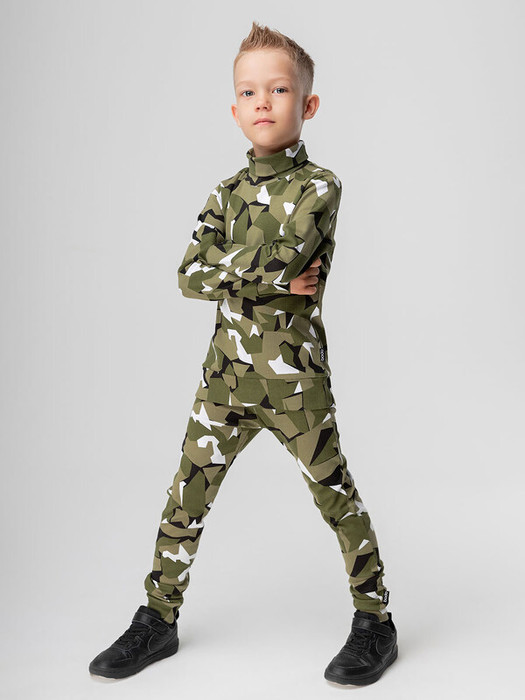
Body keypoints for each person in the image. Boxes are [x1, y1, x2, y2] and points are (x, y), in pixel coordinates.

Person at [89, 21, 398, 687]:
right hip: (224, 383)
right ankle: (157, 617)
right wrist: (270, 275)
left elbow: (280, 256)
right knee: (185, 500)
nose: (263, 102)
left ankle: (375, 621)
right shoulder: (224, 193)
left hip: (295, 386)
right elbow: (187, 275)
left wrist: (239, 266)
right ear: (234, 110)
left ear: (307, 104)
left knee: (335, 496)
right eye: (249, 92)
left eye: (278, 89)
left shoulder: (319, 186)